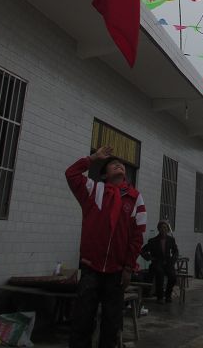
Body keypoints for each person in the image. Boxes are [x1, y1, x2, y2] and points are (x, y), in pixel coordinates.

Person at [66, 146, 147, 348]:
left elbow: (137, 236)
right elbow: (71, 174)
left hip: (117, 272)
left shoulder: (135, 198)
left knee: (111, 326)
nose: (119, 165)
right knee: (82, 321)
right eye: (112, 164)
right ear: (104, 175)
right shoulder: (94, 190)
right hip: (91, 268)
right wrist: (93, 157)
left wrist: (128, 267)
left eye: (121, 165)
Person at [140, 220, 179, 302]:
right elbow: (142, 251)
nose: (163, 229)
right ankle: (160, 297)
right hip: (157, 262)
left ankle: (168, 295)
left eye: (165, 228)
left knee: (173, 277)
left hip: (168, 263)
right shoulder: (153, 241)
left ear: (167, 229)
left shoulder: (171, 240)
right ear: (158, 229)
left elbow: (176, 251)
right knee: (159, 274)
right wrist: (149, 258)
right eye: (162, 228)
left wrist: (173, 260)